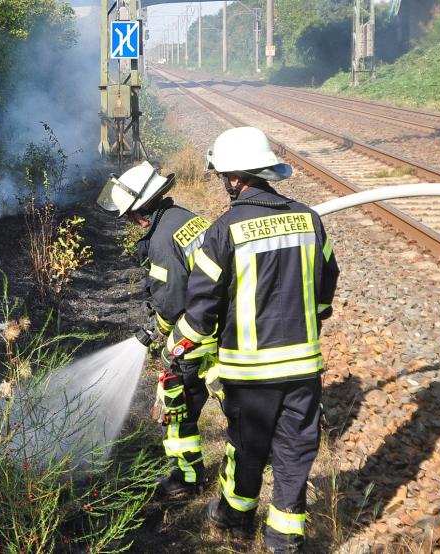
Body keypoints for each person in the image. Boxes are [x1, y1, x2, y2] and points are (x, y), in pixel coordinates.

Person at [164, 127, 339, 552]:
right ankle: (284, 537)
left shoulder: (223, 230)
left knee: (246, 448)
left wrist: (179, 344)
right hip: (302, 368)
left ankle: (234, 519)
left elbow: (202, 306)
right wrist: (307, 321)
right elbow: (327, 282)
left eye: (224, 177)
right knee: (295, 452)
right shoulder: (309, 219)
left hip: (250, 370)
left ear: (235, 178)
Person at [97, 161, 217, 496]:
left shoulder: (162, 241)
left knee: (177, 409)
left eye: (131, 215)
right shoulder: (185, 217)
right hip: (220, 325)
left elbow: (169, 302)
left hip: (197, 333)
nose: (133, 222)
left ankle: (186, 479)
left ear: (142, 209)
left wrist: (156, 332)